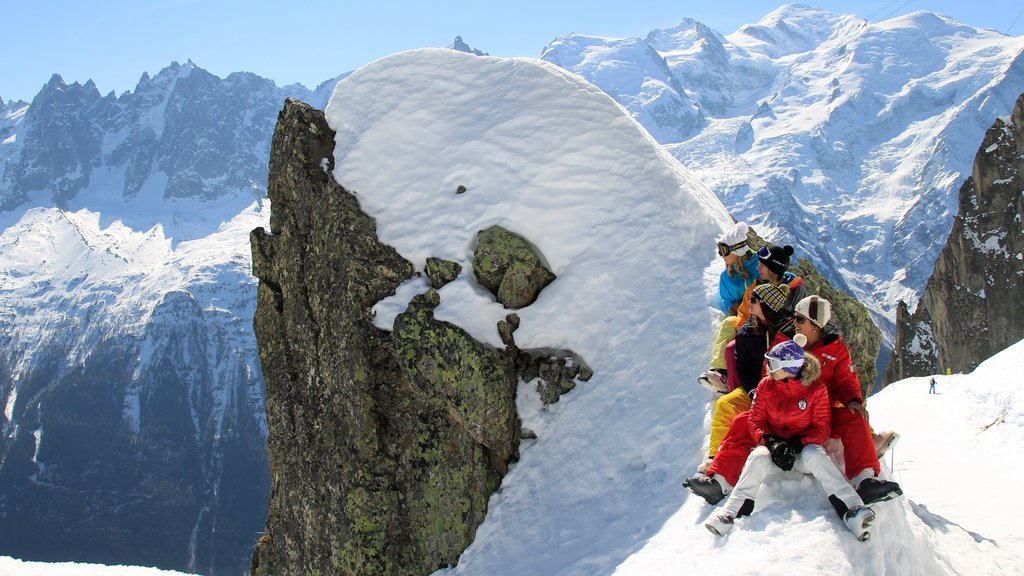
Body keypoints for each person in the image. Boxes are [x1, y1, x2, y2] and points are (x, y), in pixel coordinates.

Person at [685, 296, 902, 507]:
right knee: (743, 423)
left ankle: (864, 481)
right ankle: (719, 481)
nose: (793, 323)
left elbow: (846, 379)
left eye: (800, 319)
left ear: (815, 325)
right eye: (795, 318)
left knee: (854, 418)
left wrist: (853, 400)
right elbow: (768, 374)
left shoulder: (835, 349)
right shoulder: (784, 339)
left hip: (818, 414)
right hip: (781, 412)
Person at [703, 336, 877, 541]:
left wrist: (797, 443)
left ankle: (853, 508)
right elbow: (755, 420)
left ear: (791, 367)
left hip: (803, 449)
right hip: (773, 450)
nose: (769, 368)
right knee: (757, 459)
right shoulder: (766, 386)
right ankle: (729, 513)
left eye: (773, 363)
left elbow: (822, 428)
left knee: (818, 458)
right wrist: (771, 443)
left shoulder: (816, 389)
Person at [698, 282, 791, 473]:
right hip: (755, 390)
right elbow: (743, 367)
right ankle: (714, 458)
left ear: (767, 305)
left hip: (784, 392)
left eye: (754, 300)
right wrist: (751, 390)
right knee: (725, 404)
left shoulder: (789, 332)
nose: (749, 302)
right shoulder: (747, 333)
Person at [698, 239, 804, 393]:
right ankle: (721, 373)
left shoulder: (794, 290)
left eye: (762, 265)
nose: (758, 267)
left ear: (772, 269)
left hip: (779, 335)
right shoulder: (757, 284)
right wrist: (743, 333)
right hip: (755, 327)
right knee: (730, 328)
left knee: (734, 349)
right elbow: (744, 312)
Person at [697, 222, 760, 392]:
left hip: (763, 315)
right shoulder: (728, 276)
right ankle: (720, 371)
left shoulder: (760, 266)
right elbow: (727, 300)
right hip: (745, 315)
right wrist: (735, 308)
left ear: (737, 251)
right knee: (729, 326)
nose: (721, 256)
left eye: (724, 251)